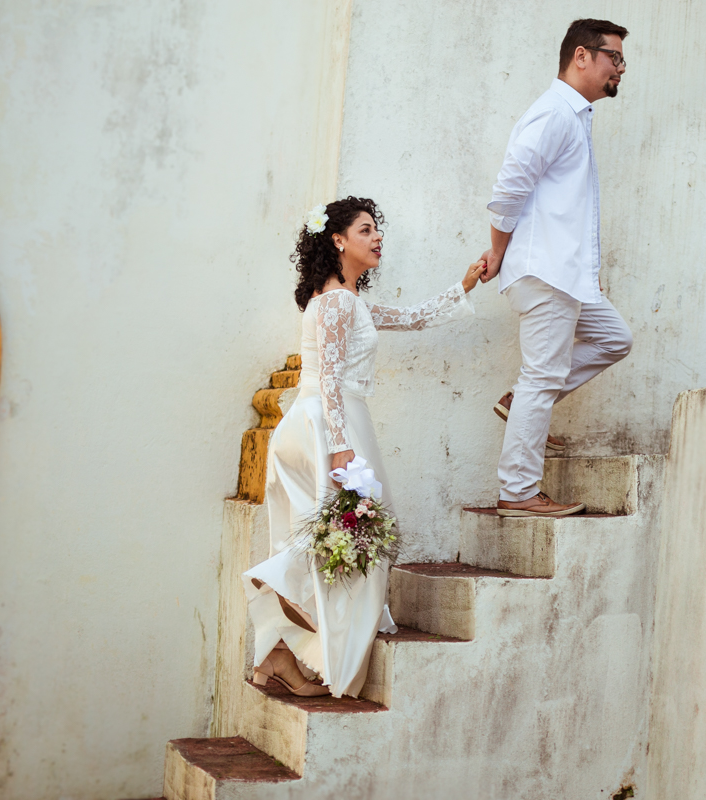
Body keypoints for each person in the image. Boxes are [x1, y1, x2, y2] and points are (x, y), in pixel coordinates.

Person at [243, 197, 486, 698]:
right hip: (327, 424)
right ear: (338, 240)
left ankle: (280, 655)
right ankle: (286, 611)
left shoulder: (347, 300)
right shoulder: (334, 302)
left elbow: (413, 317)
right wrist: (339, 447)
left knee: (345, 541)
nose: (377, 238)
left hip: (328, 421)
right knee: (353, 541)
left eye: (378, 230)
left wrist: (464, 285)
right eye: (366, 229)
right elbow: (329, 377)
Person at [479, 19, 634, 518]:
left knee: (615, 338)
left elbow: (563, 206)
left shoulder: (576, 116)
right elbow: (509, 189)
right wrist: (498, 251)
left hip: (566, 274)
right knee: (542, 377)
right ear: (583, 56)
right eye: (615, 56)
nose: (621, 68)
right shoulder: (554, 113)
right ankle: (519, 491)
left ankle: (518, 400)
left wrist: (587, 271)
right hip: (543, 272)